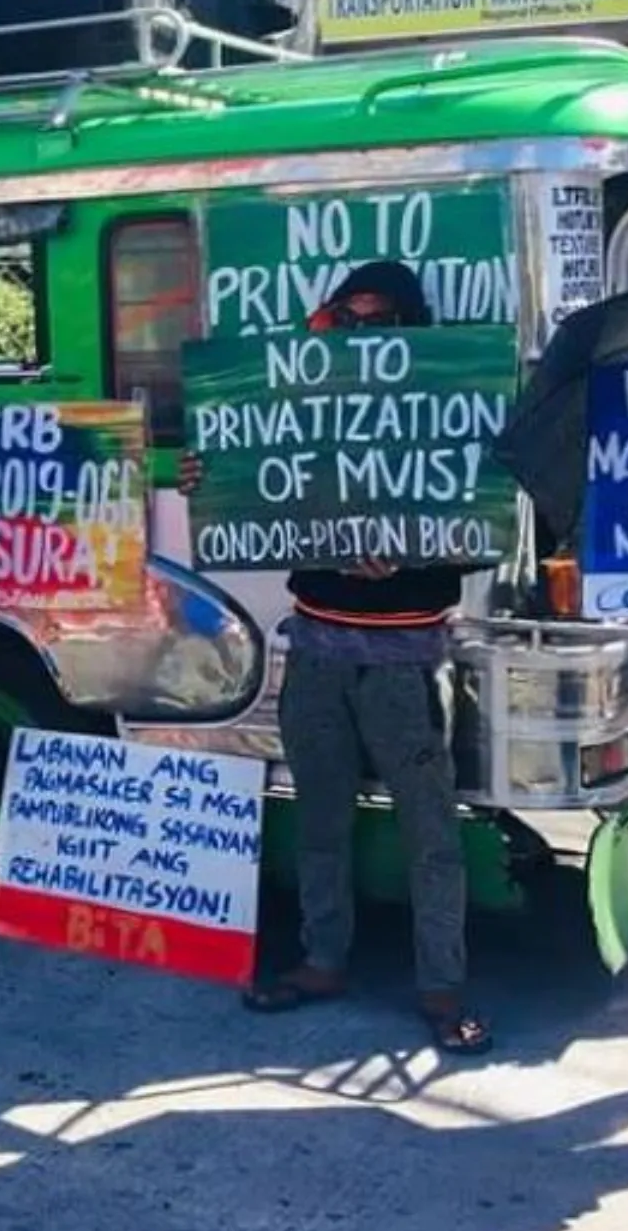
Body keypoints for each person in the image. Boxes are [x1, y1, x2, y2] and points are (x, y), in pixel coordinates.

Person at [180, 260, 491, 1055]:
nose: (359, 336)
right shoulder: (295, 409)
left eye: (378, 321)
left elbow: (481, 524)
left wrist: (410, 559)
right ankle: (323, 962)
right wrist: (210, 479)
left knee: (431, 834)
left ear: (408, 330)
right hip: (315, 648)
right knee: (320, 822)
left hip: (406, 659)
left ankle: (441, 985)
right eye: (345, 320)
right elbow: (255, 493)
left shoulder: (445, 412)